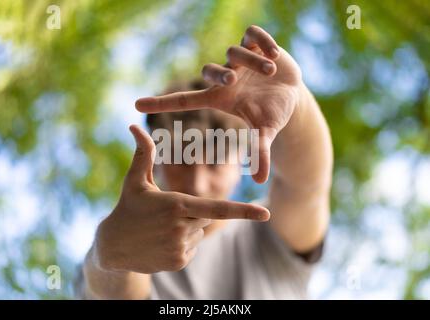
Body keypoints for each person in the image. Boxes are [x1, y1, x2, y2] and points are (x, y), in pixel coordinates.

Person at [77, 25, 333, 299]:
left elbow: (306, 186)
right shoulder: (129, 238)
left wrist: (296, 102)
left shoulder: (267, 233)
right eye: (183, 158)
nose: (197, 184)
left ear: (240, 163)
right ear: (156, 160)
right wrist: (110, 255)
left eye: (215, 161)